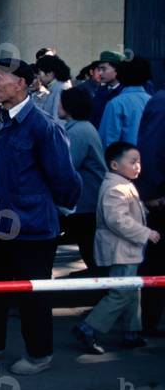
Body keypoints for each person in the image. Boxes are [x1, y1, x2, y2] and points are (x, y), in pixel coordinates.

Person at [0, 58, 81, 375]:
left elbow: (65, 179)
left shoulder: (43, 127)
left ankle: (39, 353)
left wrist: (58, 210)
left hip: (33, 226)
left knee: (33, 295)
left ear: (20, 83)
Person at [72, 142, 160, 354]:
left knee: (132, 291)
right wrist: (146, 233)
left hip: (127, 250)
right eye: (132, 162)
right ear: (114, 164)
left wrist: (148, 206)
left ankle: (131, 332)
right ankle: (88, 327)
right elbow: (118, 221)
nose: (138, 166)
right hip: (121, 251)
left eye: (139, 161)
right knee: (122, 292)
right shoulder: (116, 188)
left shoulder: (122, 183)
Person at [58, 87, 108, 276]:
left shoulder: (78, 130)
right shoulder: (80, 127)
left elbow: (66, 166)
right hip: (87, 198)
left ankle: (98, 283)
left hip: (86, 200)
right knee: (86, 242)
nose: (59, 105)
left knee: (87, 243)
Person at [136, 85, 165, 336]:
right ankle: (149, 319)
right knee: (157, 261)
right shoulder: (161, 102)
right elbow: (152, 148)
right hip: (161, 198)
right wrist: (152, 191)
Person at [99, 57, 153, 147]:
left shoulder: (116, 103)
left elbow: (107, 140)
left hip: (124, 158)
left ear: (120, 75)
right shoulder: (152, 101)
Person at [91, 50, 125, 129]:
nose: (100, 73)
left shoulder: (125, 92)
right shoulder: (100, 91)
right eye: (99, 69)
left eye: (104, 69)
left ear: (116, 70)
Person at [35, 54, 72, 123]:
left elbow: (58, 119)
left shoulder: (61, 88)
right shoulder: (55, 87)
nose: (38, 77)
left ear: (50, 73)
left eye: (40, 73)